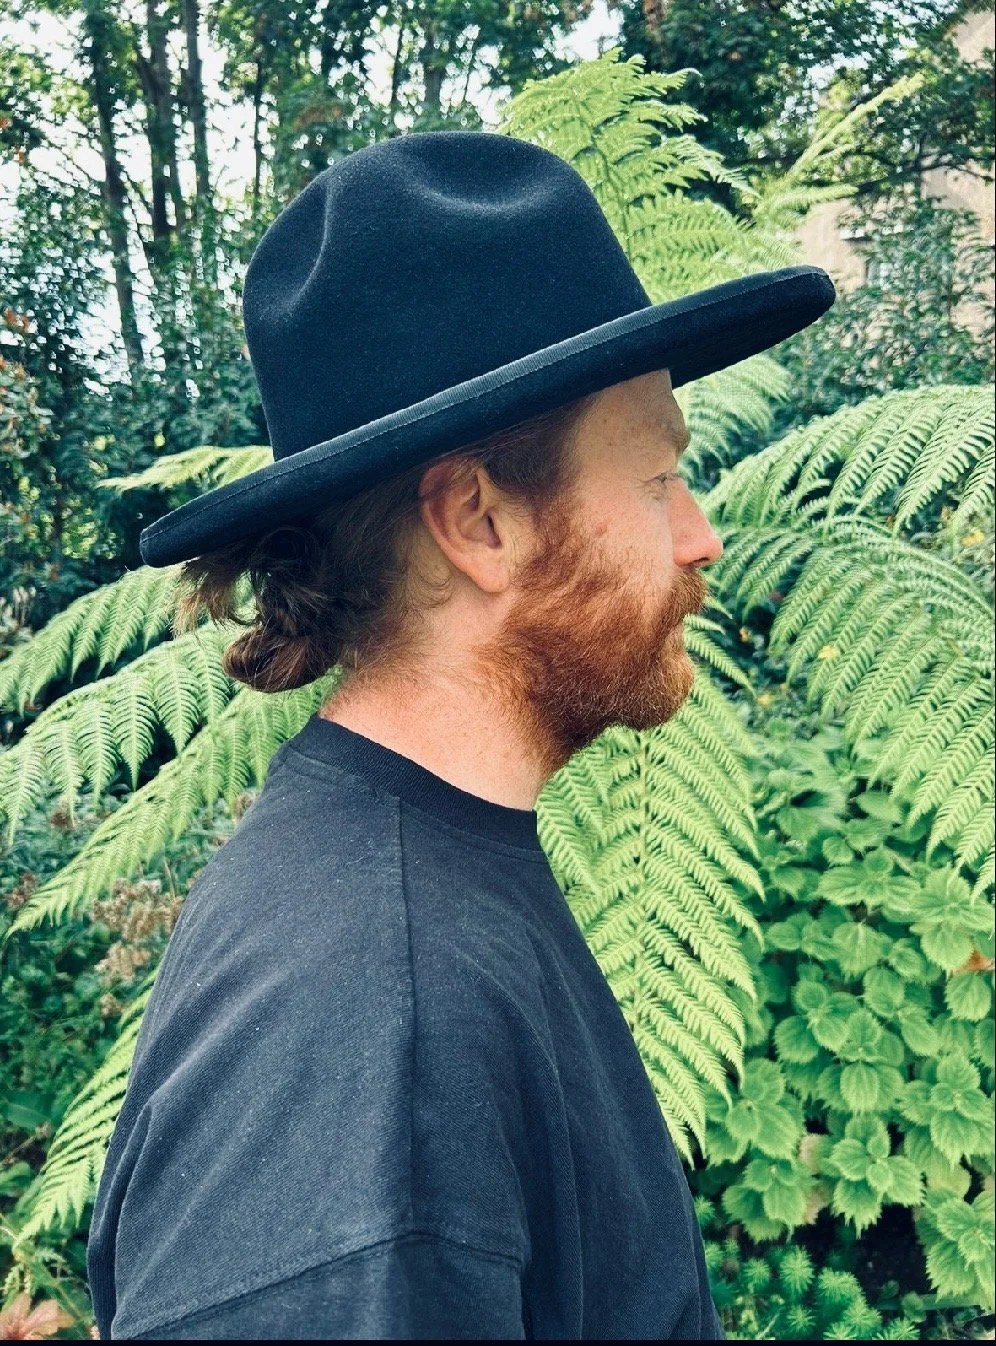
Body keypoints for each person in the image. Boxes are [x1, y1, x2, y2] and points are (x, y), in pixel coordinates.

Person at [86, 129, 835, 1339]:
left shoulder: (415, 878)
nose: (700, 535)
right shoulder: (369, 1012)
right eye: (657, 480)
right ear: (480, 521)